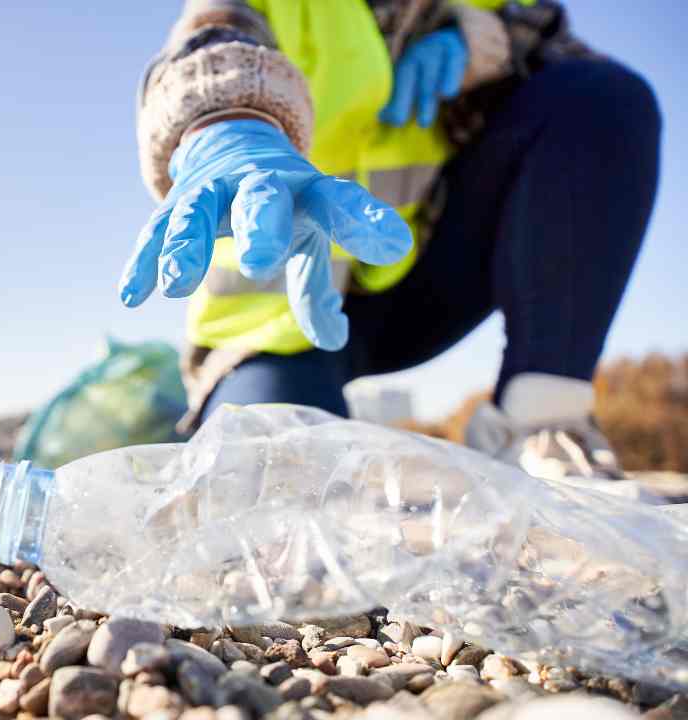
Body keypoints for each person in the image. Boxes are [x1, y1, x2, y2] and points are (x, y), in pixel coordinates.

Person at [121, 0, 660, 479]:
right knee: (276, 484)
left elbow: (564, 60)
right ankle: (230, 420)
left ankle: (543, 418)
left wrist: (489, 40)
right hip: (273, 321)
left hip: (416, 280)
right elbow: (211, 35)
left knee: (600, 97)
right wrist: (225, 117)